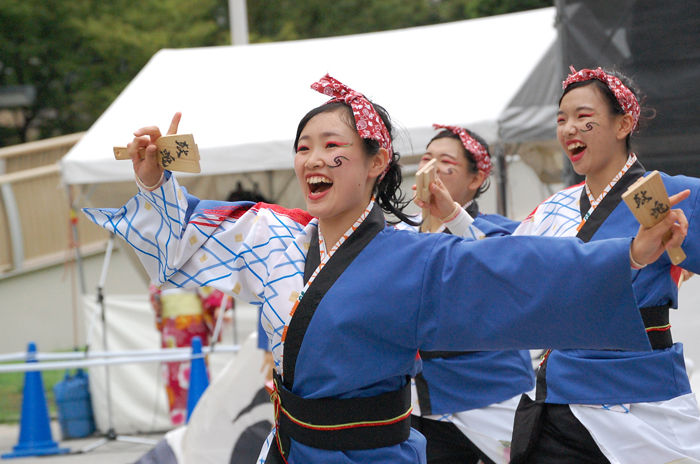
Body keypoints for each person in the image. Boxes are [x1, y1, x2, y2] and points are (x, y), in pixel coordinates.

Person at [82, 74, 686, 464]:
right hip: (291, 448)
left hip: (370, 452)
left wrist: (630, 256)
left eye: (332, 146)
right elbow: (183, 236)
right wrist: (155, 180)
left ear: (376, 163)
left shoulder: (409, 256)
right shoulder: (268, 234)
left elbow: (513, 271)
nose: (314, 158)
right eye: (304, 146)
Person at [509, 67, 700, 463]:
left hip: (642, 400)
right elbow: (504, 272)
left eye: (583, 116)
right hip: (561, 400)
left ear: (623, 124)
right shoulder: (551, 209)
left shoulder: (671, 194)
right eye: (561, 120)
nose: (568, 129)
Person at [402, 125, 533, 464]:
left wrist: (452, 217)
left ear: (476, 179)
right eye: (427, 158)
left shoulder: (500, 232)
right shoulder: (400, 232)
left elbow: (511, 274)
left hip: (491, 389)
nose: (432, 166)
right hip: (422, 398)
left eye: (447, 161)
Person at [148, 283, 233, 425]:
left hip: (192, 325)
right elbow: (154, 291)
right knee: (173, 377)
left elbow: (209, 282)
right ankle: (180, 424)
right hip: (171, 327)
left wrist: (218, 308)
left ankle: (200, 422)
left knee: (195, 370)